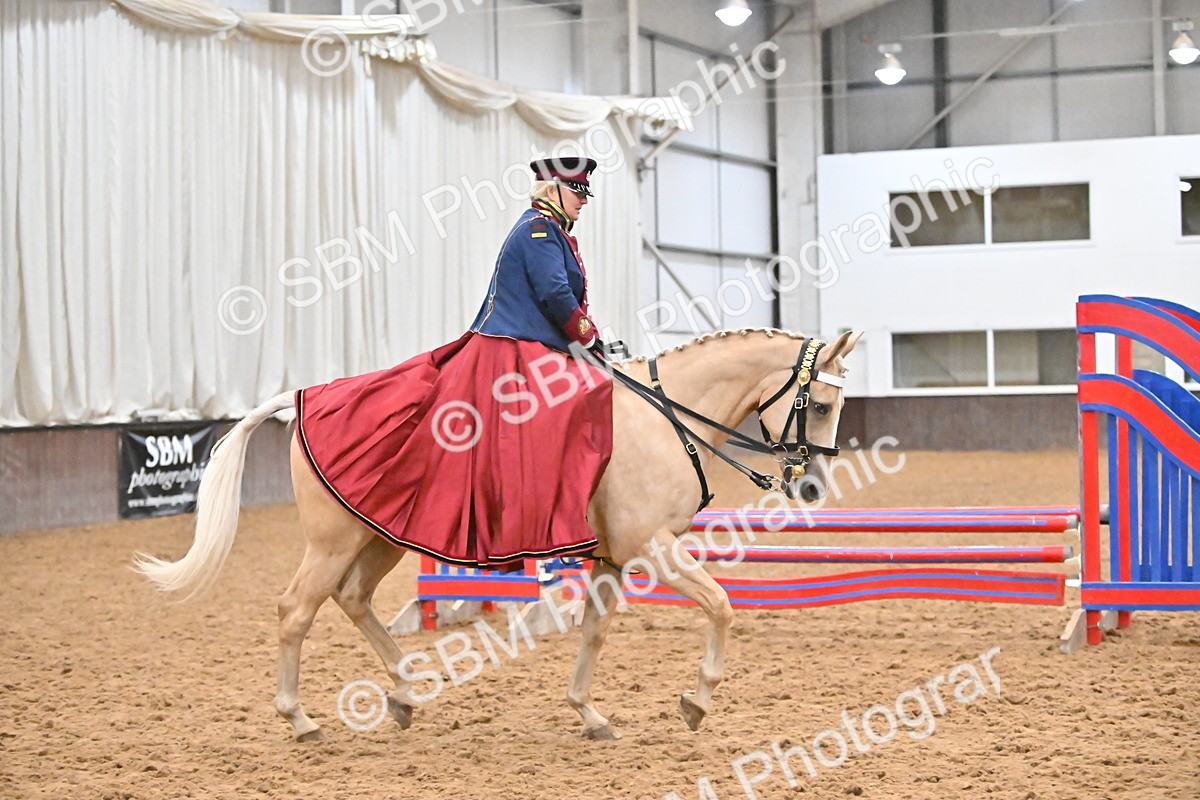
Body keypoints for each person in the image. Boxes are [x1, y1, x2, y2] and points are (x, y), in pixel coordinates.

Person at [294, 156, 613, 569]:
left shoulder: (555, 232)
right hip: (510, 346)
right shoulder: (538, 231)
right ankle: (543, 525)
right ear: (551, 190)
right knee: (566, 404)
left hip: (535, 345)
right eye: (577, 191)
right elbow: (555, 295)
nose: (584, 200)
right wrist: (590, 339)